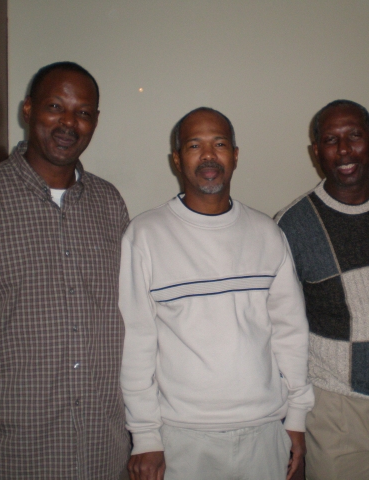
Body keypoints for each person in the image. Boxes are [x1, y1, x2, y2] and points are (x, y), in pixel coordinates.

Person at [0, 62, 130, 479]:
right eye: (55, 106)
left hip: (101, 447)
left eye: (83, 112)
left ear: (95, 121)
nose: (68, 122)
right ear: (28, 109)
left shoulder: (110, 204)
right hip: (10, 450)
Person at [119, 107, 314, 480]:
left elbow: (290, 332)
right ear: (177, 159)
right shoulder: (145, 235)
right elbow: (136, 342)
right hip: (181, 438)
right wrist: (145, 437)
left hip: (265, 430)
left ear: (235, 155)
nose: (208, 156)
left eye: (219, 144)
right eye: (194, 145)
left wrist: (297, 418)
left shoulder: (266, 233)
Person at [275, 99, 369, 480]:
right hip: (333, 404)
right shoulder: (292, 224)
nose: (344, 150)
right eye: (330, 140)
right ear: (316, 152)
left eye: (355, 136)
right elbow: (284, 326)